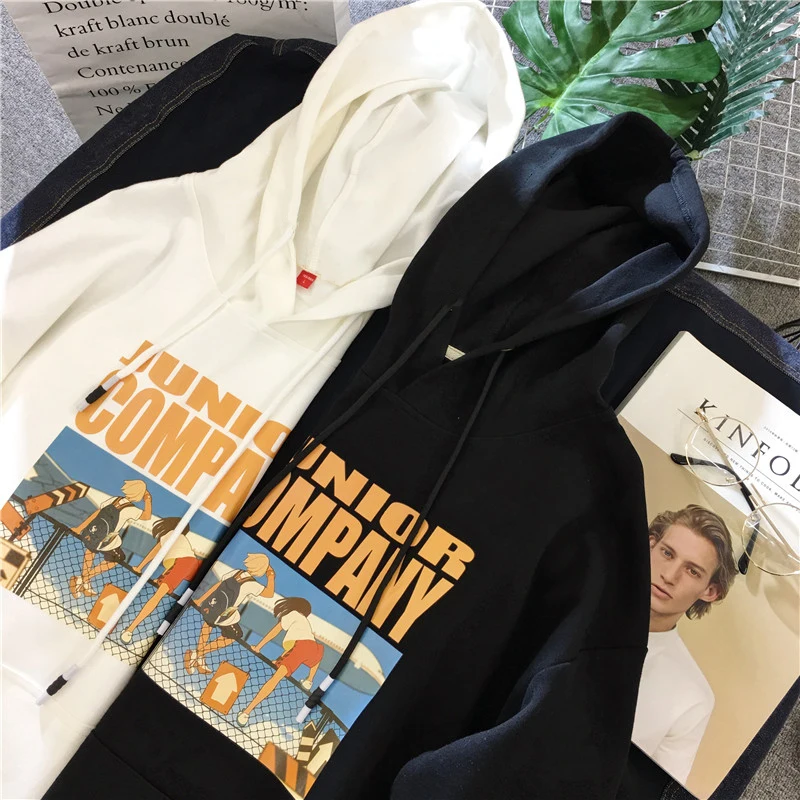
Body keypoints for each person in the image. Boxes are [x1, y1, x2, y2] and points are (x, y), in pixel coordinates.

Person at [632, 504, 737, 784]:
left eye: (692, 571)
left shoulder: (692, 697)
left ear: (710, 591)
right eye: (667, 553)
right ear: (650, 545)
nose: (669, 576)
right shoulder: (570, 608)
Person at [236, 596, 324, 727]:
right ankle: (309, 680)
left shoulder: (293, 614)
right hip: (314, 649)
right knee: (318, 651)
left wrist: (258, 647)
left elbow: (276, 632)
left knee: (274, 680)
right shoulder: (304, 624)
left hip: (300, 647)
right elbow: (296, 649)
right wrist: (278, 661)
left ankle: (246, 712)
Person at [185, 552, 275, 675]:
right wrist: (270, 575)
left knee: (208, 624)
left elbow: (218, 586)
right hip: (223, 615)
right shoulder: (252, 584)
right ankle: (198, 654)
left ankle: (199, 658)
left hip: (210, 606)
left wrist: (201, 600)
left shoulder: (236, 572)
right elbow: (269, 593)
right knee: (235, 634)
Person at [119, 517, 202, 644]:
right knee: (160, 593)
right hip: (191, 566)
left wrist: (140, 567)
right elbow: (174, 563)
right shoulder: (181, 541)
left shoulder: (171, 534)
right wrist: (161, 578)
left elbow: (155, 552)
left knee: (157, 597)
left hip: (184, 564)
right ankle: (130, 629)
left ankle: (130, 629)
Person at [69, 479, 152, 598]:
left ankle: (85, 582)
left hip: (92, 532)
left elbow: (97, 513)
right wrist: (148, 499)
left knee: (91, 551)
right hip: (106, 539)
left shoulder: (115, 499)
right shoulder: (131, 509)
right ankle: (83, 579)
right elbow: (147, 516)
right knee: (117, 558)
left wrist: (80, 528)